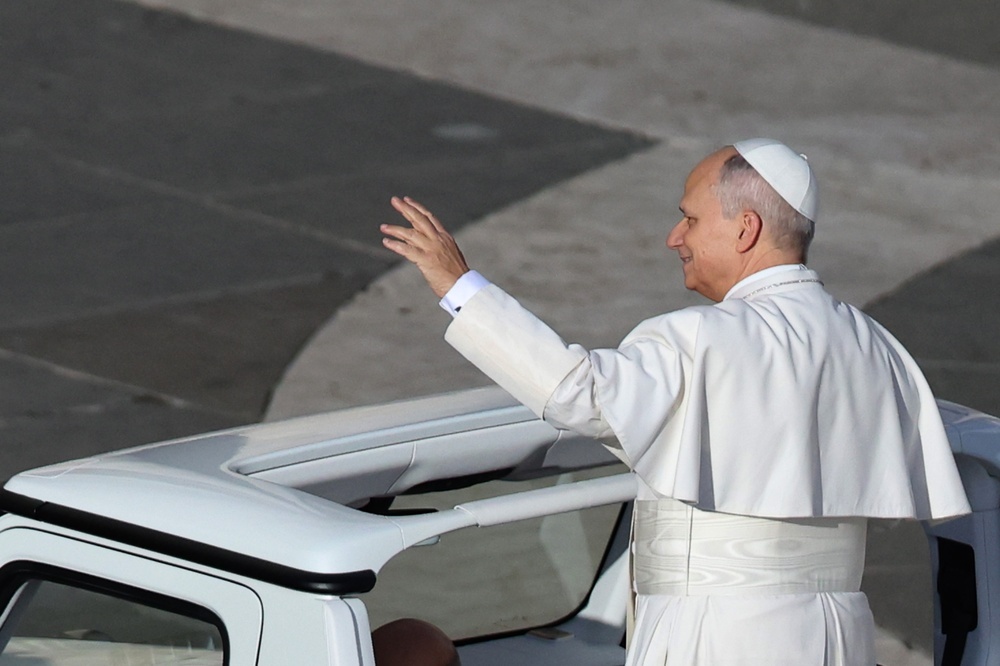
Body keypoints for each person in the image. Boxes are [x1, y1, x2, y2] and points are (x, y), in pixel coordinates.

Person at [379, 139, 971, 665]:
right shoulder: (875, 346)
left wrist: (460, 286)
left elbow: (575, 392)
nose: (674, 237)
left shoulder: (703, 338)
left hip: (720, 635)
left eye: (690, 218)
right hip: (841, 637)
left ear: (745, 229)